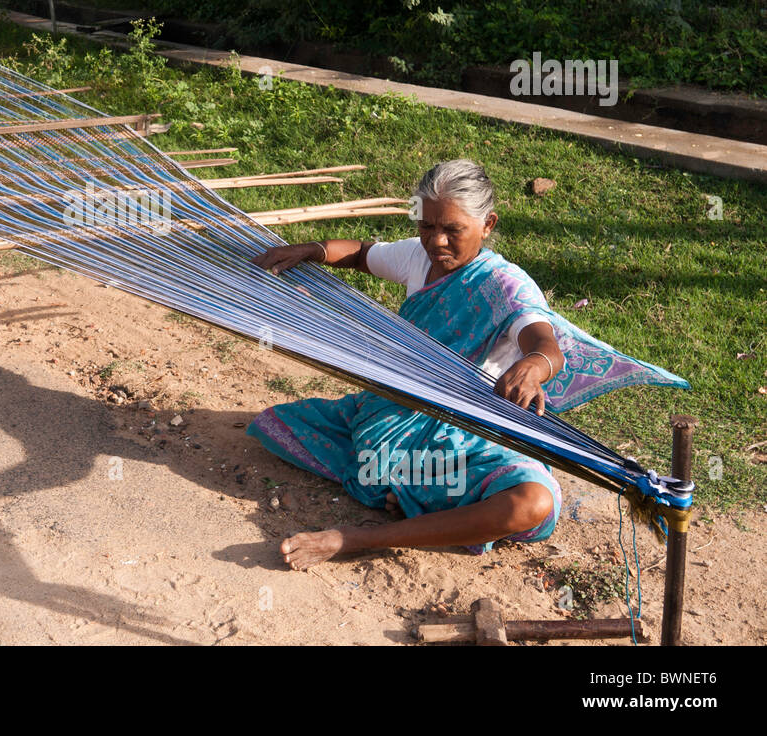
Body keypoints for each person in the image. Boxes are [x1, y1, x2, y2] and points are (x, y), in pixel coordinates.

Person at [248, 159, 688, 569]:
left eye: (452, 229)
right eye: (426, 226)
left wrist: (533, 366)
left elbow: (545, 343)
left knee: (532, 504)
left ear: (488, 224)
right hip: (389, 413)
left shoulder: (505, 285)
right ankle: (421, 493)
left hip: (464, 431)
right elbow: (363, 253)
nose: (436, 241)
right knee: (276, 425)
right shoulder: (420, 257)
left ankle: (362, 536)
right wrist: (313, 250)